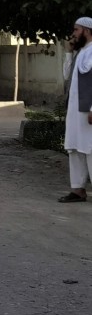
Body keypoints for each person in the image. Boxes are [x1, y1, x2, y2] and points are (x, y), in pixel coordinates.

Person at [59, 16, 92, 202]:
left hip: (88, 111)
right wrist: (69, 53)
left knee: (90, 149)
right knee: (75, 148)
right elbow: (67, 75)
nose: (73, 34)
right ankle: (77, 189)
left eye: (77, 30)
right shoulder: (81, 52)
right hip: (74, 111)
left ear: (87, 31)